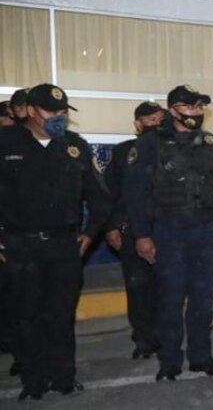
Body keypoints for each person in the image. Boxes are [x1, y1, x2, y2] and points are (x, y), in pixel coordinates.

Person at [0, 84, 110, 401]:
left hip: (64, 246)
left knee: (61, 315)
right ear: (31, 111)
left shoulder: (75, 147)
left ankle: (64, 377)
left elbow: (100, 197)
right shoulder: (6, 143)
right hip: (20, 245)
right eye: (52, 111)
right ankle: (33, 381)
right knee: (26, 316)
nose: (59, 118)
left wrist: (89, 234)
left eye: (63, 112)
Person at [126, 84, 213, 381]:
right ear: (172, 110)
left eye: (199, 107)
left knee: (203, 298)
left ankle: (201, 357)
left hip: (205, 230)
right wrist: (142, 235)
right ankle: (170, 361)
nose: (195, 113)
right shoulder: (151, 144)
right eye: (189, 107)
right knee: (170, 300)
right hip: (168, 230)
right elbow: (135, 194)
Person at [103, 101, 165, 360]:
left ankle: (166, 336)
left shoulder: (175, 150)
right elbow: (109, 194)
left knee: (167, 288)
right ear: (137, 124)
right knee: (138, 289)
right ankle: (143, 339)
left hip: (168, 231)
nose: (153, 124)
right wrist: (111, 227)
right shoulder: (124, 153)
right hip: (134, 231)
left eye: (158, 119)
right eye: (147, 119)